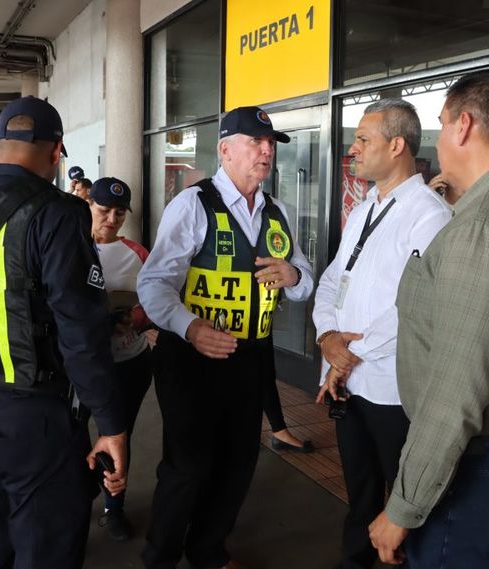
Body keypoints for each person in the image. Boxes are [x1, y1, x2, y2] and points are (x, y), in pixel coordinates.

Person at [367, 69, 489, 567]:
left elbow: (455, 390)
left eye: (441, 124)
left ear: (464, 126)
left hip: (478, 474)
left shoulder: (483, 226)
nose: (437, 140)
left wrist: (404, 505)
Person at [0, 96, 127, 569]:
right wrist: (110, 423)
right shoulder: (58, 214)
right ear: (56, 153)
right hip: (35, 419)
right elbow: (81, 331)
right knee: (45, 547)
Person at [137, 105, 314, 569]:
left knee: (238, 463)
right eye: (256, 142)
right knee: (188, 466)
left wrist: (294, 275)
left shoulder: (278, 212)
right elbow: (153, 283)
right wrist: (191, 327)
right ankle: (160, 558)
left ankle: (208, 552)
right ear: (225, 150)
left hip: (250, 357)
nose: (266, 151)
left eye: (270, 144)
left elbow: (305, 279)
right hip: (190, 358)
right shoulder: (193, 205)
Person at [314, 99, 452, 569]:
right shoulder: (363, 210)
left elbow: (413, 308)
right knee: (360, 494)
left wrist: (344, 356)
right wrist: (327, 338)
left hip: (395, 391)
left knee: (410, 509)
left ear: (396, 146)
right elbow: (332, 280)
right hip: (351, 385)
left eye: (362, 139)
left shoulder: (428, 214)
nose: (352, 149)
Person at [86, 176, 155, 542]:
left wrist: (137, 319)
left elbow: (159, 299)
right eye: (103, 210)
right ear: (88, 206)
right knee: (71, 435)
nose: (111, 219)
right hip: (81, 366)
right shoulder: (70, 245)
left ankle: (114, 507)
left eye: (119, 213)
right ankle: (79, 495)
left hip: (129, 362)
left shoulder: (137, 253)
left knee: (118, 434)